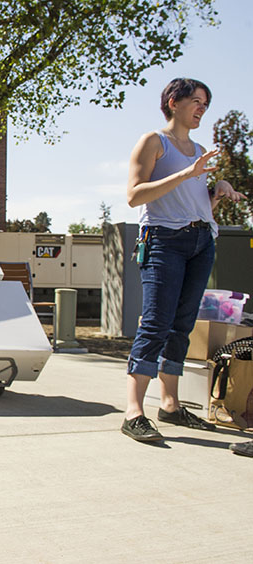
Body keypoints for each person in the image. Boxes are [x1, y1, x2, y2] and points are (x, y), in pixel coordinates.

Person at [121, 78, 247, 442]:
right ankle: (134, 411)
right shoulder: (153, 142)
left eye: (205, 104)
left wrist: (217, 192)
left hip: (201, 240)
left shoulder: (200, 149)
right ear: (174, 102)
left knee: (182, 325)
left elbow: (196, 205)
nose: (202, 109)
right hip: (163, 240)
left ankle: (172, 405)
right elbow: (134, 195)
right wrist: (188, 173)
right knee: (156, 324)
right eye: (196, 101)